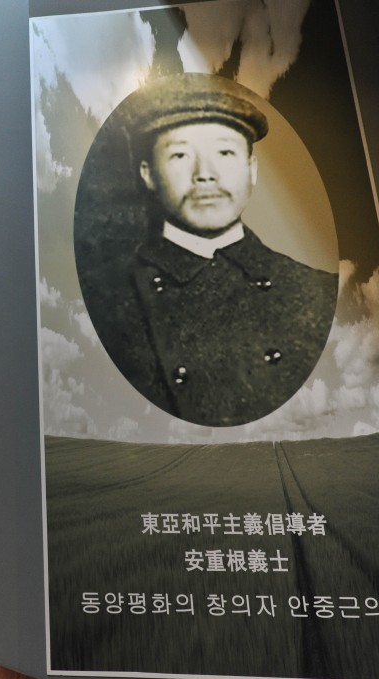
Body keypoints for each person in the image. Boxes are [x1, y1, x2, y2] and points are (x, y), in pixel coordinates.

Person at [76, 73, 337, 427]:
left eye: (225, 152)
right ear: (147, 173)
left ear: (252, 169)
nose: (205, 174)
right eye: (181, 154)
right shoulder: (104, 300)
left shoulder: (319, 291)